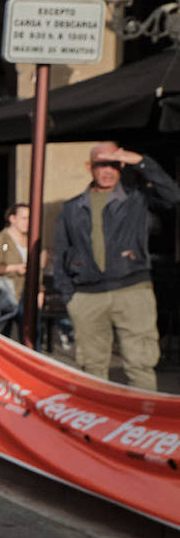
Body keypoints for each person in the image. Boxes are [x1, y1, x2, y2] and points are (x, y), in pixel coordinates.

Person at [52, 142, 180, 390]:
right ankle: (99, 425)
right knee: (92, 369)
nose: (108, 171)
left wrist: (142, 161)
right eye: (102, 164)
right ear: (89, 167)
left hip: (133, 291)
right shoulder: (72, 208)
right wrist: (70, 297)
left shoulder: (137, 198)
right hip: (87, 296)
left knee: (140, 364)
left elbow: (173, 195)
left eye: (113, 164)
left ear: (121, 166)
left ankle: (144, 424)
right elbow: (60, 253)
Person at [0, 204, 30, 335]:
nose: (28, 222)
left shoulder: (32, 241)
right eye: (24, 218)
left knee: (29, 337)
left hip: (27, 295)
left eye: (30, 218)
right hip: (5, 295)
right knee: (2, 335)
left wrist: (40, 290)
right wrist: (14, 268)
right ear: (12, 219)